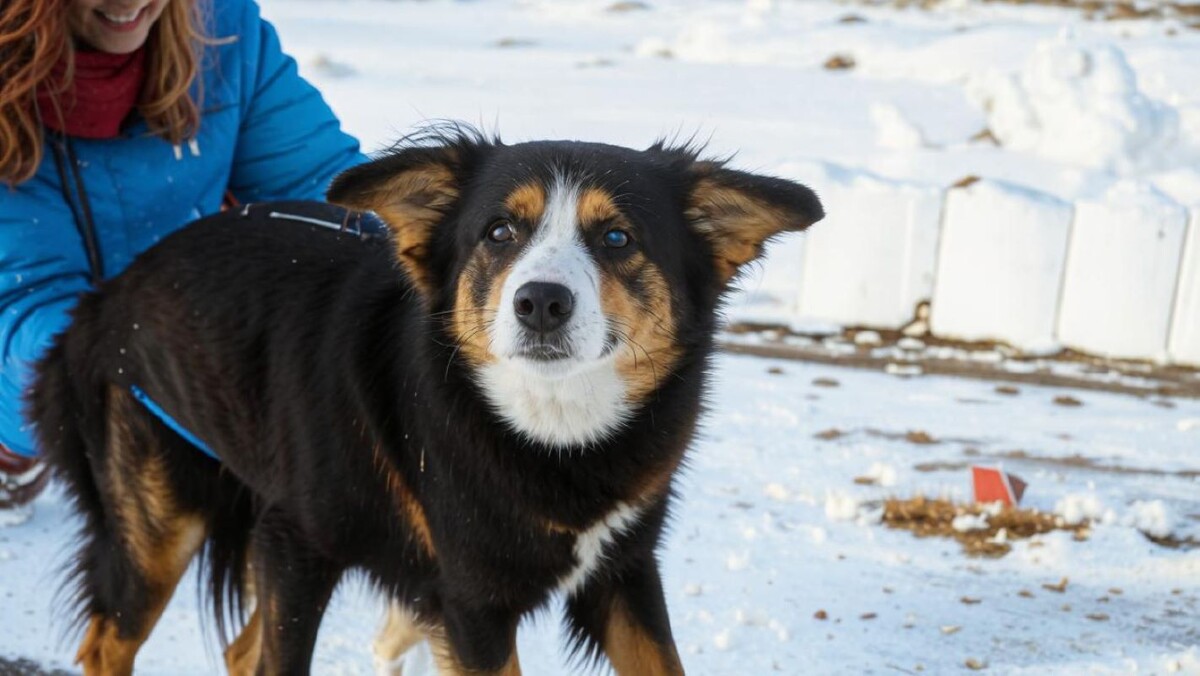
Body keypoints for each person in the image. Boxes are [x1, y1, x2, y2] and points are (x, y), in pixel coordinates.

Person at [0, 0, 368, 510]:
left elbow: (323, 194)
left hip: (172, 311)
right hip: (41, 353)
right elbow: (24, 304)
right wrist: (211, 379)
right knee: (47, 395)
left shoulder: (221, 31)